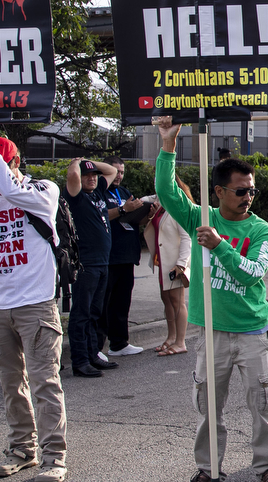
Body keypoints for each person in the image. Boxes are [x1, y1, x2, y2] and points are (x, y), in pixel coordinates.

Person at [153, 116, 268, 482]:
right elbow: (166, 191)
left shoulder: (261, 230)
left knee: (263, 404)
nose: (248, 197)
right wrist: (167, 146)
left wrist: (219, 247)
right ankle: (208, 470)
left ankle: (267, 469)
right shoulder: (200, 216)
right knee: (208, 406)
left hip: (252, 331)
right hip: (210, 330)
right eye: (240, 191)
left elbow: (250, 274)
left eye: (252, 191)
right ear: (219, 192)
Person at [0, 120, 67, 482]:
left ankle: (55, 456)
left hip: (36, 304)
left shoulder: (42, 190)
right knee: (10, 383)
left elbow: (9, 186)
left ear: (15, 161)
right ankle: (23, 449)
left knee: (44, 382)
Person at [62, 157, 119, 378]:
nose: (91, 179)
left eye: (94, 175)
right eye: (87, 176)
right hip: (86, 264)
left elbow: (112, 170)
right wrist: (76, 163)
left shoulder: (98, 193)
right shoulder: (76, 197)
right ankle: (79, 361)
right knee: (81, 314)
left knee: (95, 313)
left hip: (102, 262)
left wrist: (88, 161)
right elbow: (73, 177)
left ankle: (92, 353)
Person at [101, 156, 149, 357]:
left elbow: (135, 219)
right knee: (104, 303)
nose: (119, 176)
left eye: (121, 172)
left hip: (127, 255)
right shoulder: (99, 192)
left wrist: (147, 213)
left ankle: (119, 343)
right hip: (108, 256)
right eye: (115, 171)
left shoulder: (124, 192)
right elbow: (101, 214)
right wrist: (123, 210)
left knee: (122, 302)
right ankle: (97, 346)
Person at [141, 176, 194, 355]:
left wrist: (181, 264)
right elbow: (143, 200)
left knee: (177, 301)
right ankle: (171, 337)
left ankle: (180, 342)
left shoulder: (178, 204)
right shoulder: (161, 202)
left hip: (174, 261)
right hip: (162, 260)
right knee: (166, 299)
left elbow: (187, 237)